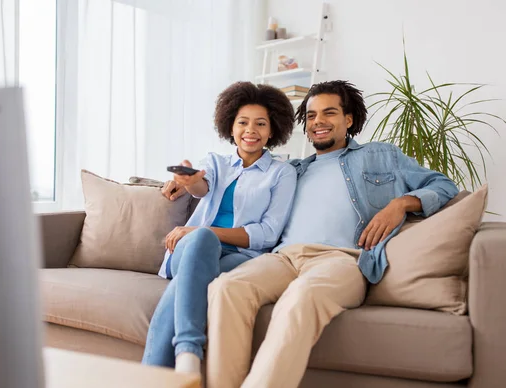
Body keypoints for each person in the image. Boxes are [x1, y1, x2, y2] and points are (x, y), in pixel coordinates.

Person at [203, 80, 460, 388]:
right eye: (311, 116)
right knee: (227, 288)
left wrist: (401, 203)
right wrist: (188, 183)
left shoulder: (380, 156)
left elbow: (444, 186)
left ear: (348, 120)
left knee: (301, 298)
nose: (318, 122)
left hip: (342, 261)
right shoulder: (292, 170)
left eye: (329, 113)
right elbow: (238, 181)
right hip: (284, 259)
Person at [141, 81, 298, 375]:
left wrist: (207, 232)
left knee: (185, 282)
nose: (251, 130)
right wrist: (190, 182)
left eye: (260, 124)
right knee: (201, 240)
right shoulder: (215, 162)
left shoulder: (282, 174)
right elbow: (203, 185)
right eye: (243, 122)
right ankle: (189, 352)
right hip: (190, 249)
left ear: (272, 130)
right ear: (230, 126)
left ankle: (170, 366)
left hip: (240, 256)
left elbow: (267, 233)